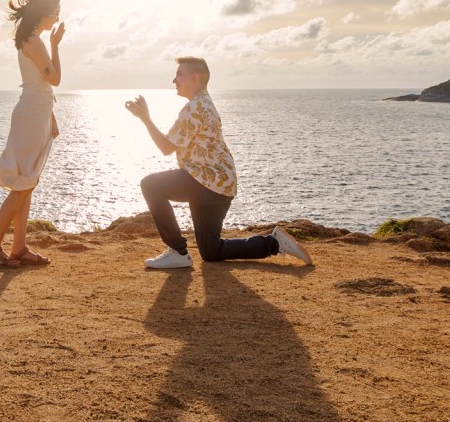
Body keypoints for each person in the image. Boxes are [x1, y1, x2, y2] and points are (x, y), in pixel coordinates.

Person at [125, 56, 312, 270]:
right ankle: (274, 242)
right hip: (219, 185)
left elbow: (167, 147)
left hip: (206, 181)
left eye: (179, 75)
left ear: (195, 77)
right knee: (211, 251)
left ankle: (177, 251)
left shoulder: (195, 107)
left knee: (151, 185)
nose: (174, 80)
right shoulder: (204, 102)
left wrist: (145, 118)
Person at [0, 0, 64, 268]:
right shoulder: (36, 42)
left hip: (36, 110)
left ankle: (18, 247)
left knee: (26, 181)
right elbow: (55, 79)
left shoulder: (29, 39)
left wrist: (50, 116)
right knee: (23, 184)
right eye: (55, 11)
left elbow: (40, 85)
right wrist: (56, 46)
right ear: (43, 13)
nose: (57, 15)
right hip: (32, 113)